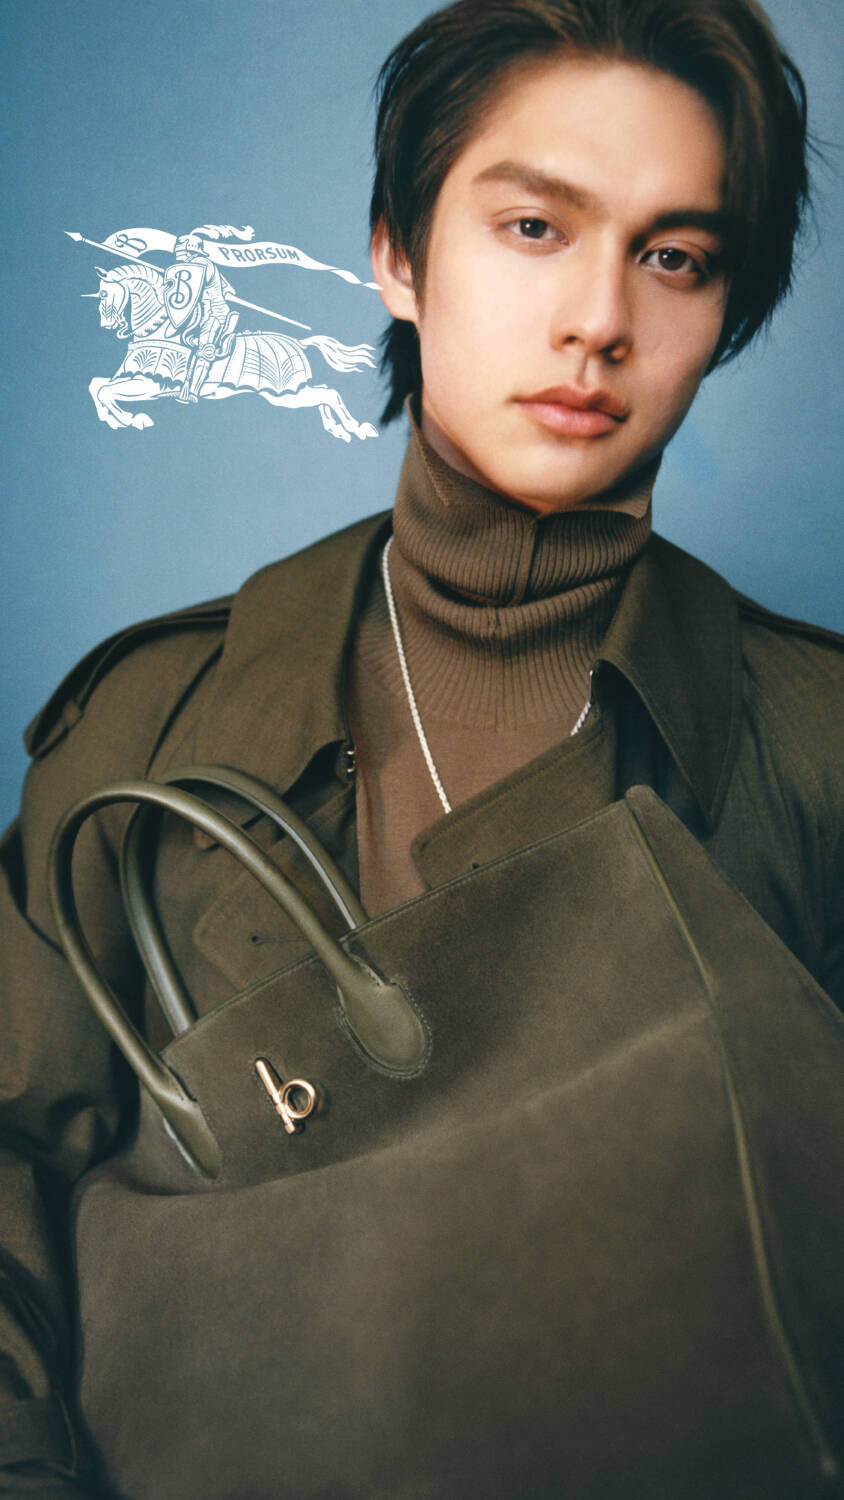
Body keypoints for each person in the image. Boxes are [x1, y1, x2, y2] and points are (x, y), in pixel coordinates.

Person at [0, 0, 841, 1495]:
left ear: (728, 309)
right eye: (534, 227)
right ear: (398, 252)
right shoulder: (147, 723)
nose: (598, 318)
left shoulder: (814, 746)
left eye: (674, 255)